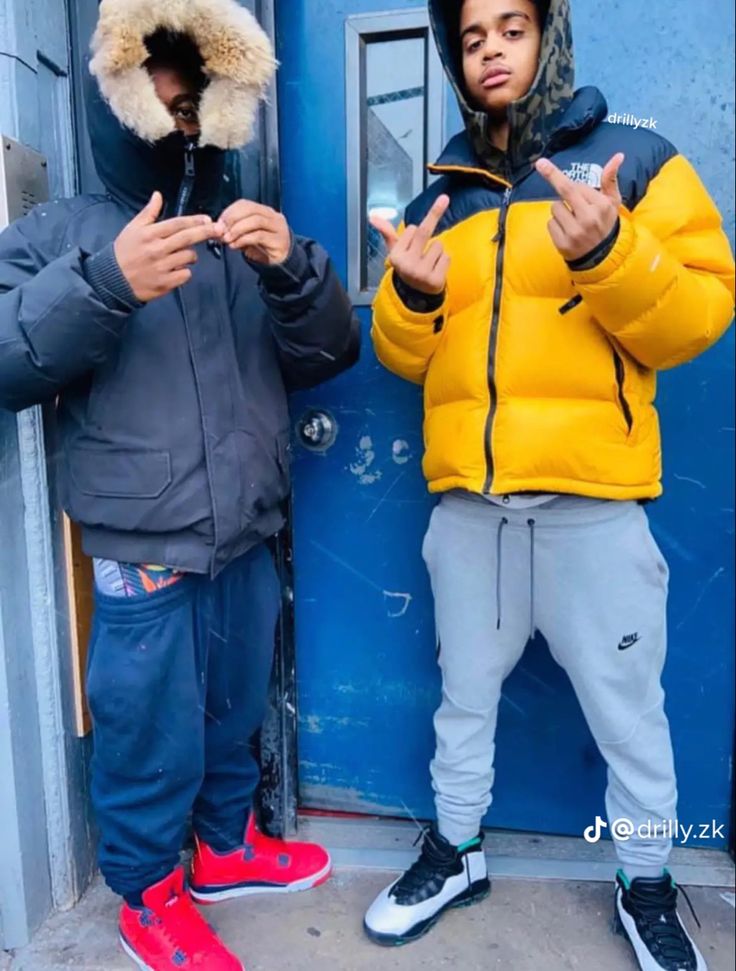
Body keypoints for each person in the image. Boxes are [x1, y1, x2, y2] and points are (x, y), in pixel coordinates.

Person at [363, 0, 734, 968]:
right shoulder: (438, 189)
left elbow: (698, 311)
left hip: (591, 510)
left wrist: (607, 251)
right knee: (462, 698)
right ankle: (455, 851)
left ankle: (645, 878)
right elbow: (408, 358)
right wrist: (408, 294)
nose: (490, 50)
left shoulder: (632, 159)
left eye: (510, 28)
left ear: (548, 37)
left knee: (628, 709)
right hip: (470, 514)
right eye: (472, 36)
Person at [0, 1, 359, 969]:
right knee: (146, 727)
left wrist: (290, 269)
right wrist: (106, 281)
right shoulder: (61, 230)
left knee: (233, 704)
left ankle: (227, 847)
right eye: (163, 74)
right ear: (118, 89)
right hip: (142, 546)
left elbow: (329, 348)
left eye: (199, 80)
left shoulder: (245, 226)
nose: (183, 99)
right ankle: (148, 895)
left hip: (243, 527)